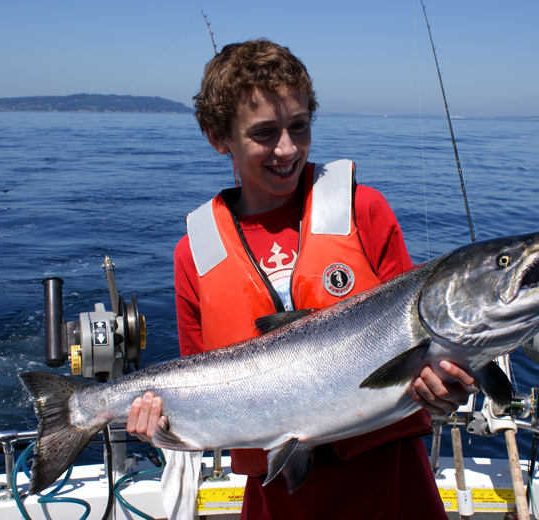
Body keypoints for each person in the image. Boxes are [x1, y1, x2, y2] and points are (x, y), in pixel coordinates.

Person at [127, 39, 476, 519]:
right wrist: (160, 426)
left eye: (299, 126)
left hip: (392, 487)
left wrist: (445, 393)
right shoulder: (196, 251)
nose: (287, 148)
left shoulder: (364, 210)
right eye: (265, 133)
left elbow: (420, 341)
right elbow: (197, 384)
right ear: (217, 135)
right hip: (278, 500)